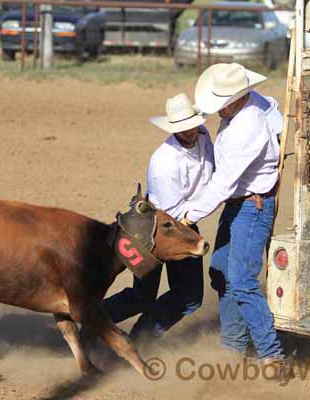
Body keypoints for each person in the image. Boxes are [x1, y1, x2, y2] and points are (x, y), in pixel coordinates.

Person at [181, 63, 285, 363]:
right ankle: (234, 347)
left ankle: (271, 354)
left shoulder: (246, 127)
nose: (218, 111)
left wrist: (191, 214)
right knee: (223, 272)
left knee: (241, 280)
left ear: (239, 98)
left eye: (223, 105)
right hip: (242, 204)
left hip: (252, 207)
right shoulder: (256, 104)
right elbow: (274, 109)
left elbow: (224, 183)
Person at [103, 93, 214, 343]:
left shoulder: (203, 135)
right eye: (183, 128)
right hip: (155, 229)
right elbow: (174, 214)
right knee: (144, 297)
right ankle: (94, 319)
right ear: (173, 129)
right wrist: (217, 196)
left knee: (188, 296)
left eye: (193, 124)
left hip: (178, 222)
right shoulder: (163, 163)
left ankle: (139, 339)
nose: (191, 131)